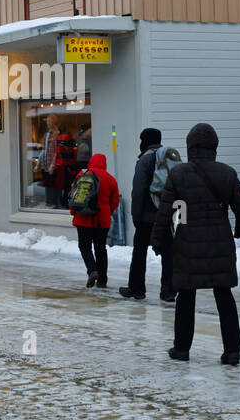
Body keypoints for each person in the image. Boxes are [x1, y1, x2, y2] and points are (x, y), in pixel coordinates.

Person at [151, 123, 240, 364]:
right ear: (214, 147)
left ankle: (181, 349)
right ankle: (232, 351)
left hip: (187, 242)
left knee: (186, 296)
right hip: (220, 243)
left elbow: (167, 212)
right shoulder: (227, 173)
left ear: (190, 147)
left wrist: (157, 239)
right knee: (224, 296)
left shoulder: (178, 174)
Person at [119, 128, 175, 302]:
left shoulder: (145, 159)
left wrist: (136, 216)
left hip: (146, 217)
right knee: (168, 253)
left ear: (146, 141)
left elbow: (138, 191)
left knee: (140, 252)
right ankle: (168, 291)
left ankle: (136, 289)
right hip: (166, 215)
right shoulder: (169, 158)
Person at [69, 152, 120, 288]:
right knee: (100, 249)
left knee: (84, 246)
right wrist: (107, 212)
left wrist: (74, 212)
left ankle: (92, 270)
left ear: (91, 162)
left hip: (83, 218)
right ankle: (102, 280)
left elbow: (74, 195)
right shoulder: (110, 179)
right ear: (104, 164)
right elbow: (115, 201)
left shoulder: (83, 175)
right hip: (102, 220)